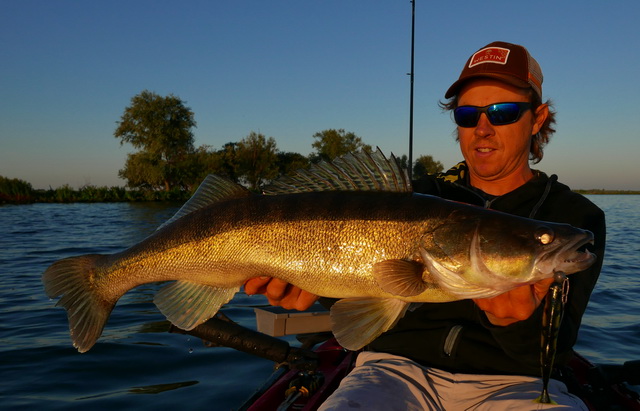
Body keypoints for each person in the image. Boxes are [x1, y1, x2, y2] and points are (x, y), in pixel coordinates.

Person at [245, 41, 606, 409]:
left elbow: (554, 348)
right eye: (467, 115)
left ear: (538, 118)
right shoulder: (413, 196)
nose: (482, 128)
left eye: (503, 112)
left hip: (516, 384)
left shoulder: (574, 219)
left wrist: (515, 324)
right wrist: (311, 284)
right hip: (390, 370)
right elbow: (362, 292)